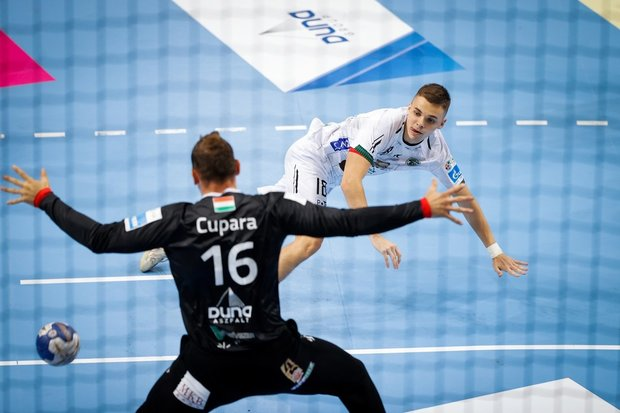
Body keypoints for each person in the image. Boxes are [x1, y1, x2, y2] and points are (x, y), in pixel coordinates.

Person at [2, 131, 473, 412]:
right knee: (353, 377)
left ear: (195, 177)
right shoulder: (271, 209)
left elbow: (100, 238)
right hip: (281, 363)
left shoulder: (176, 220)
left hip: (206, 372)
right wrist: (422, 207)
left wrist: (45, 199)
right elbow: (347, 223)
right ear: (238, 168)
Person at [140, 84, 528, 280]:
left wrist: (494, 249)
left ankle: (177, 234)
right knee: (311, 239)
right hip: (314, 158)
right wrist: (374, 234)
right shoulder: (383, 125)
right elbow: (351, 182)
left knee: (258, 209)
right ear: (409, 107)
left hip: (326, 174)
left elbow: (465, 199)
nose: (418, 123)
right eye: (416, 112)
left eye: (429, 120)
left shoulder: (437, 151)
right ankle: (254, 298)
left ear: (441, 123)